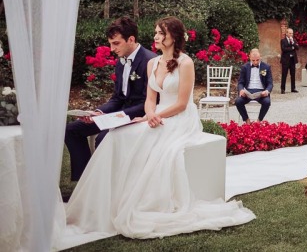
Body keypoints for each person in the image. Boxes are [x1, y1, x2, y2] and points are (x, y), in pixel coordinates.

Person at [65, 17, 255, 238]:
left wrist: (151, 118)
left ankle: (144, 199)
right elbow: (150, 98)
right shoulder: (152, 63)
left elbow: (182, 104)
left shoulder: (186, 63)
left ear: (173, 37)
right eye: (155, 32)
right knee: (116, 136)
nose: (155, 36)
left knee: (158, 147)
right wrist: (150, 114)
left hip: (180, 117)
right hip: (156, 113)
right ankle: (106, 195)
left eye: (160, 33)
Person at [64, 17, 157, 181]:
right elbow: (118, 97)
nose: (111, 48)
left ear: (131, 39)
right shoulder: (121, 62)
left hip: (140, 115)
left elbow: (148, 102)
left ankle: (106, 184)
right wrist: (99, 112)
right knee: (72, 130)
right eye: (110, 43)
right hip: (118, 113)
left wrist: (111, 117)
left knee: (103, 138)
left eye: (116, 43)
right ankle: (85, 182)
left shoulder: (150, 61)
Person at [234, 48, 273, 123]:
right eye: (253, 60)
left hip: (261, 92)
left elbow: (270, 83)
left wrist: (267, 91)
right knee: (238, 101)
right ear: (250, 58)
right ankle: (247, 121)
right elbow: (240, 82)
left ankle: (258, 122)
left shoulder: (266, 67)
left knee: (267, 102)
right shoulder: (245, 67)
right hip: (248, 92)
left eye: (257, 60)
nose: (255, 62)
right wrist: (241, 90)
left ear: (260, 57)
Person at [280, 28, 300, 93]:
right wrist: (292, 48)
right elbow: (284, 49)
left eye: (292, 33)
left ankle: (293, 88)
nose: (291, 34)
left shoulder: (294, 40)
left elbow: (297, 48)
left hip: (292, 60)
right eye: (290, 33)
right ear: (286, 33)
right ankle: (283, 89)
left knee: (293, 74)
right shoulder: (283, 40)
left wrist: (293, 43)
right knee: (284, 74)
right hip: (285, 60)